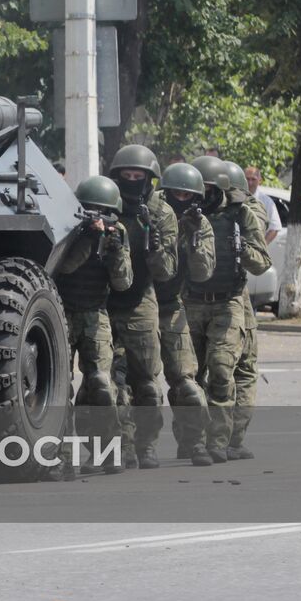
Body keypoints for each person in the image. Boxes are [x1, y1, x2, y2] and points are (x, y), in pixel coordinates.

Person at [182, 156, 271, 463]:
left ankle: (218, 442)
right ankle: (192, 441)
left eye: (207, 188)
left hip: (228, 302)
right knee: (188, 378)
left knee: (222, 371)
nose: (201, 195)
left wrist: (240, 248)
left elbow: (262, 263)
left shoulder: (240, 213)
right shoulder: (182, 213)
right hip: (190, 302)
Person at [54, 175, 132, 475]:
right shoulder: (71, 227)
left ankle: (109, 452)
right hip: (63, 311)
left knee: (101, 384)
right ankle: (62, 455)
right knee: (61, 389)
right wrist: (86, 239)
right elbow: (66, 267)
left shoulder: (118, 233)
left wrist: (112, 249)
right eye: (91, 210)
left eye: (103, 211)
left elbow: (124, 282)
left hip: (95, 314)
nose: (97, 217)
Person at [105, 144, 177, 470]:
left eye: (138, 176)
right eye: (126, 175)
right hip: (104, 301)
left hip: (141, 301)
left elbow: (166, 272)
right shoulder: (106, 205)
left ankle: (147, 445)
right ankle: (122, 447)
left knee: (146, 380)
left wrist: (154, 240)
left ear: (150, 179)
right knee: (111, 383)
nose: (132, 180)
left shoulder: (161, 213)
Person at [155, 162, 215, 466]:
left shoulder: (200, 225)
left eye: (187, 195)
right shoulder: (150, 215)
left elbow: (202, 273)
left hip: (171, 307)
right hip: (139, 305)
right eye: (175, 193)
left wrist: (191, 239)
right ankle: (137, 447)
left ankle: (195, 444)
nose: (181, 199)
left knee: (187, 383)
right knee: (134, 384)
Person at [224, 160, 270, 459]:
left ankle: (230, 439)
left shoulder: (248, 211)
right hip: (203, 299)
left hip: (235, 297)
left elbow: (259, 260)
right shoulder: (187, 205)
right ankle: (213, 439)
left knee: (241, 367)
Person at [244, 166, 282, 244]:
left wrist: (261, 247)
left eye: (253, 179)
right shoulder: (236, 197)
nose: (250, 183)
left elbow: (274, 228)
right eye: (247, 179)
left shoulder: (267, 201)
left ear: (259, 180)